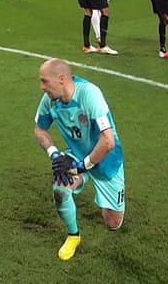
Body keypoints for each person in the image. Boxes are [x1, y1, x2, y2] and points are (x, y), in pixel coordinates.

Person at [34, 58, 126, 261]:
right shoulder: (50, 100)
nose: (41, 87)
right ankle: (73, 235)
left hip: (106, 160)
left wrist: (81, 167)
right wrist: (55, 153)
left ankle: (88, 177)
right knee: (60, 188)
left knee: (113, 224)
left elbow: (108, 141)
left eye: (44, 81)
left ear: (61, 79)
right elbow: (39, 129)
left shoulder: (90, 94)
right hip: (76, 156)